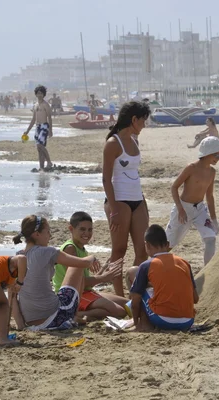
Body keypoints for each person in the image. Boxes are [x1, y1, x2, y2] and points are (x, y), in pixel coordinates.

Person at [10, 215, 103, 331]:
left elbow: (12, 294)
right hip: (53, 318)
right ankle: (74, 315)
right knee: (76, 266)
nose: (50, 235)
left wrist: (21, 325)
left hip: (29, 321)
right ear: (37, 234)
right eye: (48, 232)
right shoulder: (47, 252)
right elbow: (82, 263)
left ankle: (73, 315)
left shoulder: (18, 256)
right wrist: (92, 257)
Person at [102, 101, 151, 297]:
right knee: (119, 251)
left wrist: (144, 201)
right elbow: (106, 179)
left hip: (138, 200)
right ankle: (119, 296)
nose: (144, 125)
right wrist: (113, 210)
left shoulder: (135, 141)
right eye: (143, 121)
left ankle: (134, 293)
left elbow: (134, 173)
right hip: (118, 202)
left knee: (142, 251)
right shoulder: (113, 143)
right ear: (133, 119)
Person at [52, 212, 127, 321]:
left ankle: (84, 313)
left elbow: (84, 281)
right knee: (120, 311)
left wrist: (104, 269)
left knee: (126, 303)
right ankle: (78, 314)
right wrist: (105, 277)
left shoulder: (82, 249)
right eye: (82, 229)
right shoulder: (70, 248)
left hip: (85, 292)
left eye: (90, 230)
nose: (86, 233)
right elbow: (80, 282)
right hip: (72, 296)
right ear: (71, 229)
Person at [126, 225, 198, 331]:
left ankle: (143, 325)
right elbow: (195, 299)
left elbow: (135, 302)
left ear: (147, 245)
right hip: (187, 321)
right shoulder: (184, 263)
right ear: (168, 244)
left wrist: (136, 322)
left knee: (136, 283)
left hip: (163, 320)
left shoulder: (146, 265)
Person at [166, 137, 219, 266]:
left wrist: (214, 220)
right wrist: (180, 209)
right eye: (216, 155)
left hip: (200, 210)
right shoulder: (191, 168)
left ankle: (207, 270)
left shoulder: (212, 172)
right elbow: (174, 187)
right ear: (207, 153)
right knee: (168, 244)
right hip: (183, 209)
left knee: (211, 239)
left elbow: (209, 196)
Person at [24, 85, 53, 171]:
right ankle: (41, 167)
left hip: (44, 126)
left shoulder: (45, 104)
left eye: (41, 93)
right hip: (37, 127)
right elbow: (33, 119)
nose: (39, 95)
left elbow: (49, 118)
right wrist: (27, 130)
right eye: (38, 93)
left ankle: (49, 162)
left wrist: (50, 130)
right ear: (36, 94)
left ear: (44, 94)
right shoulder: (35, 105)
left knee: (40, 145)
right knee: (39, 148)